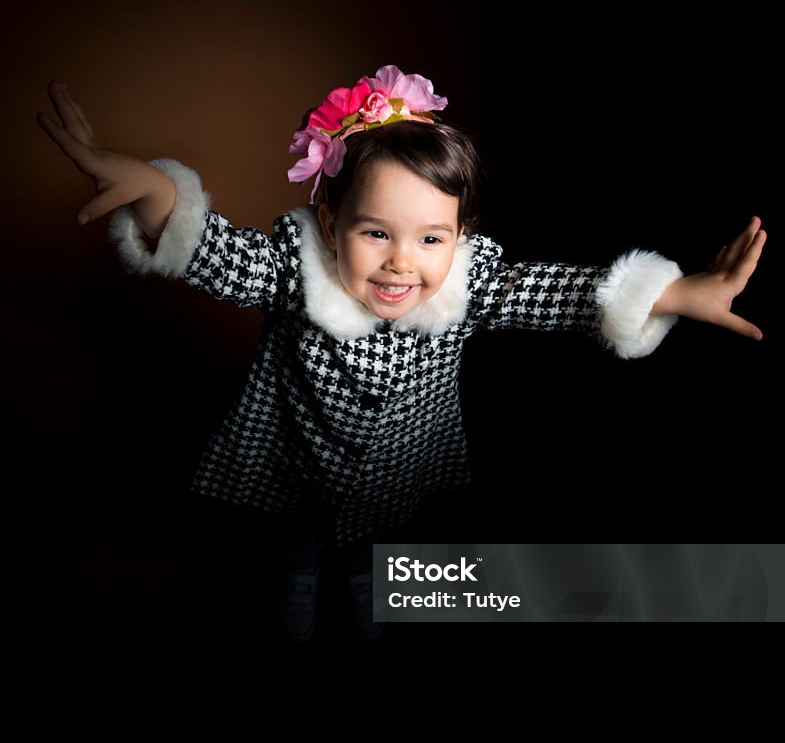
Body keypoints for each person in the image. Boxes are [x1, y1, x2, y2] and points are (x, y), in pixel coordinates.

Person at [35, 67, 767, 643]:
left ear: (458, 237)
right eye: (374, 232)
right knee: (295, 566)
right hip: (297, 461)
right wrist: (159, 193)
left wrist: (670, 295)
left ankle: (364, 610)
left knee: (366, 565)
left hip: (392, 468)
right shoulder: (295, 269)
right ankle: (292, 617)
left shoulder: (468, 285)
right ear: (330, 222)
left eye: (429, 238)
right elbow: (219, 254)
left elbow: (557, 294)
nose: (399, 265)